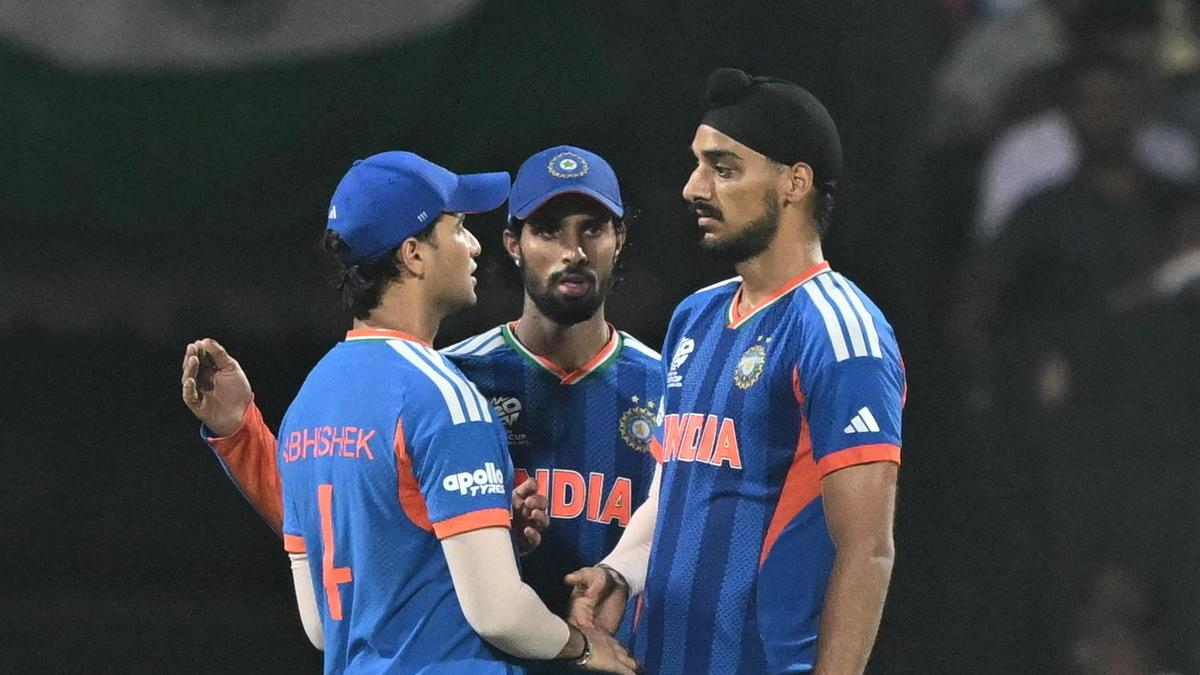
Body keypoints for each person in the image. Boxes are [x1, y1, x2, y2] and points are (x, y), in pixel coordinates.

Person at [182, 147, 660, 670]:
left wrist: (487, 534)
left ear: (619, 238)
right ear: (414, 254)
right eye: (459, 228)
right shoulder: (449, 389)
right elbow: (497, 611)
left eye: (593, 229)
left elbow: (336, 581)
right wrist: (585, 647)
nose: (573, 250)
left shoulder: (316, 395)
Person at [566, 68, 905, 674]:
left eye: (723, 169)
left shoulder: (838, 331)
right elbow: (674, 487)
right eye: (698, 164)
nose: (693, 187)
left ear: (795, 182)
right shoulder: (694, 317)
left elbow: (867, 550)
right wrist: (621, 570)